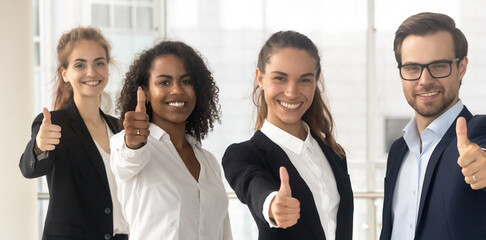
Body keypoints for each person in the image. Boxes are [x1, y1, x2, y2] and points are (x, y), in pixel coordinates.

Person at [379, 12, 486, 240]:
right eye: (412, 68)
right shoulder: (398, 151)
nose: (425, 80)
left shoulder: (483, 131)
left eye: (439, 65)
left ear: (461, 67)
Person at [222, 30, 353, 240]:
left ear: (315, 82)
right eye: (280, 78)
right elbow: (253, 186)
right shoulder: (243, 155)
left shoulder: (334, 154)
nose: (292, 92)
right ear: (260, 78)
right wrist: (273, 205)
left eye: (304, 80)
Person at [110, 41, 231, 239]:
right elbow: (128, 157)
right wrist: (134, 141)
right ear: (146, 91)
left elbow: (223, 232)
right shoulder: (128, 145)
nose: (177, 90)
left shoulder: (208, 162)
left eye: (186, 81)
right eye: (164, 82)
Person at [18, 27, 130, 240]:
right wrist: (39, 146)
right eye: (80, 65)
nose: (91, 72)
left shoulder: (119, 128)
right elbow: (28, 168)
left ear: (107, 68)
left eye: (99, 63)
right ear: (65, 73)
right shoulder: (53, 124)